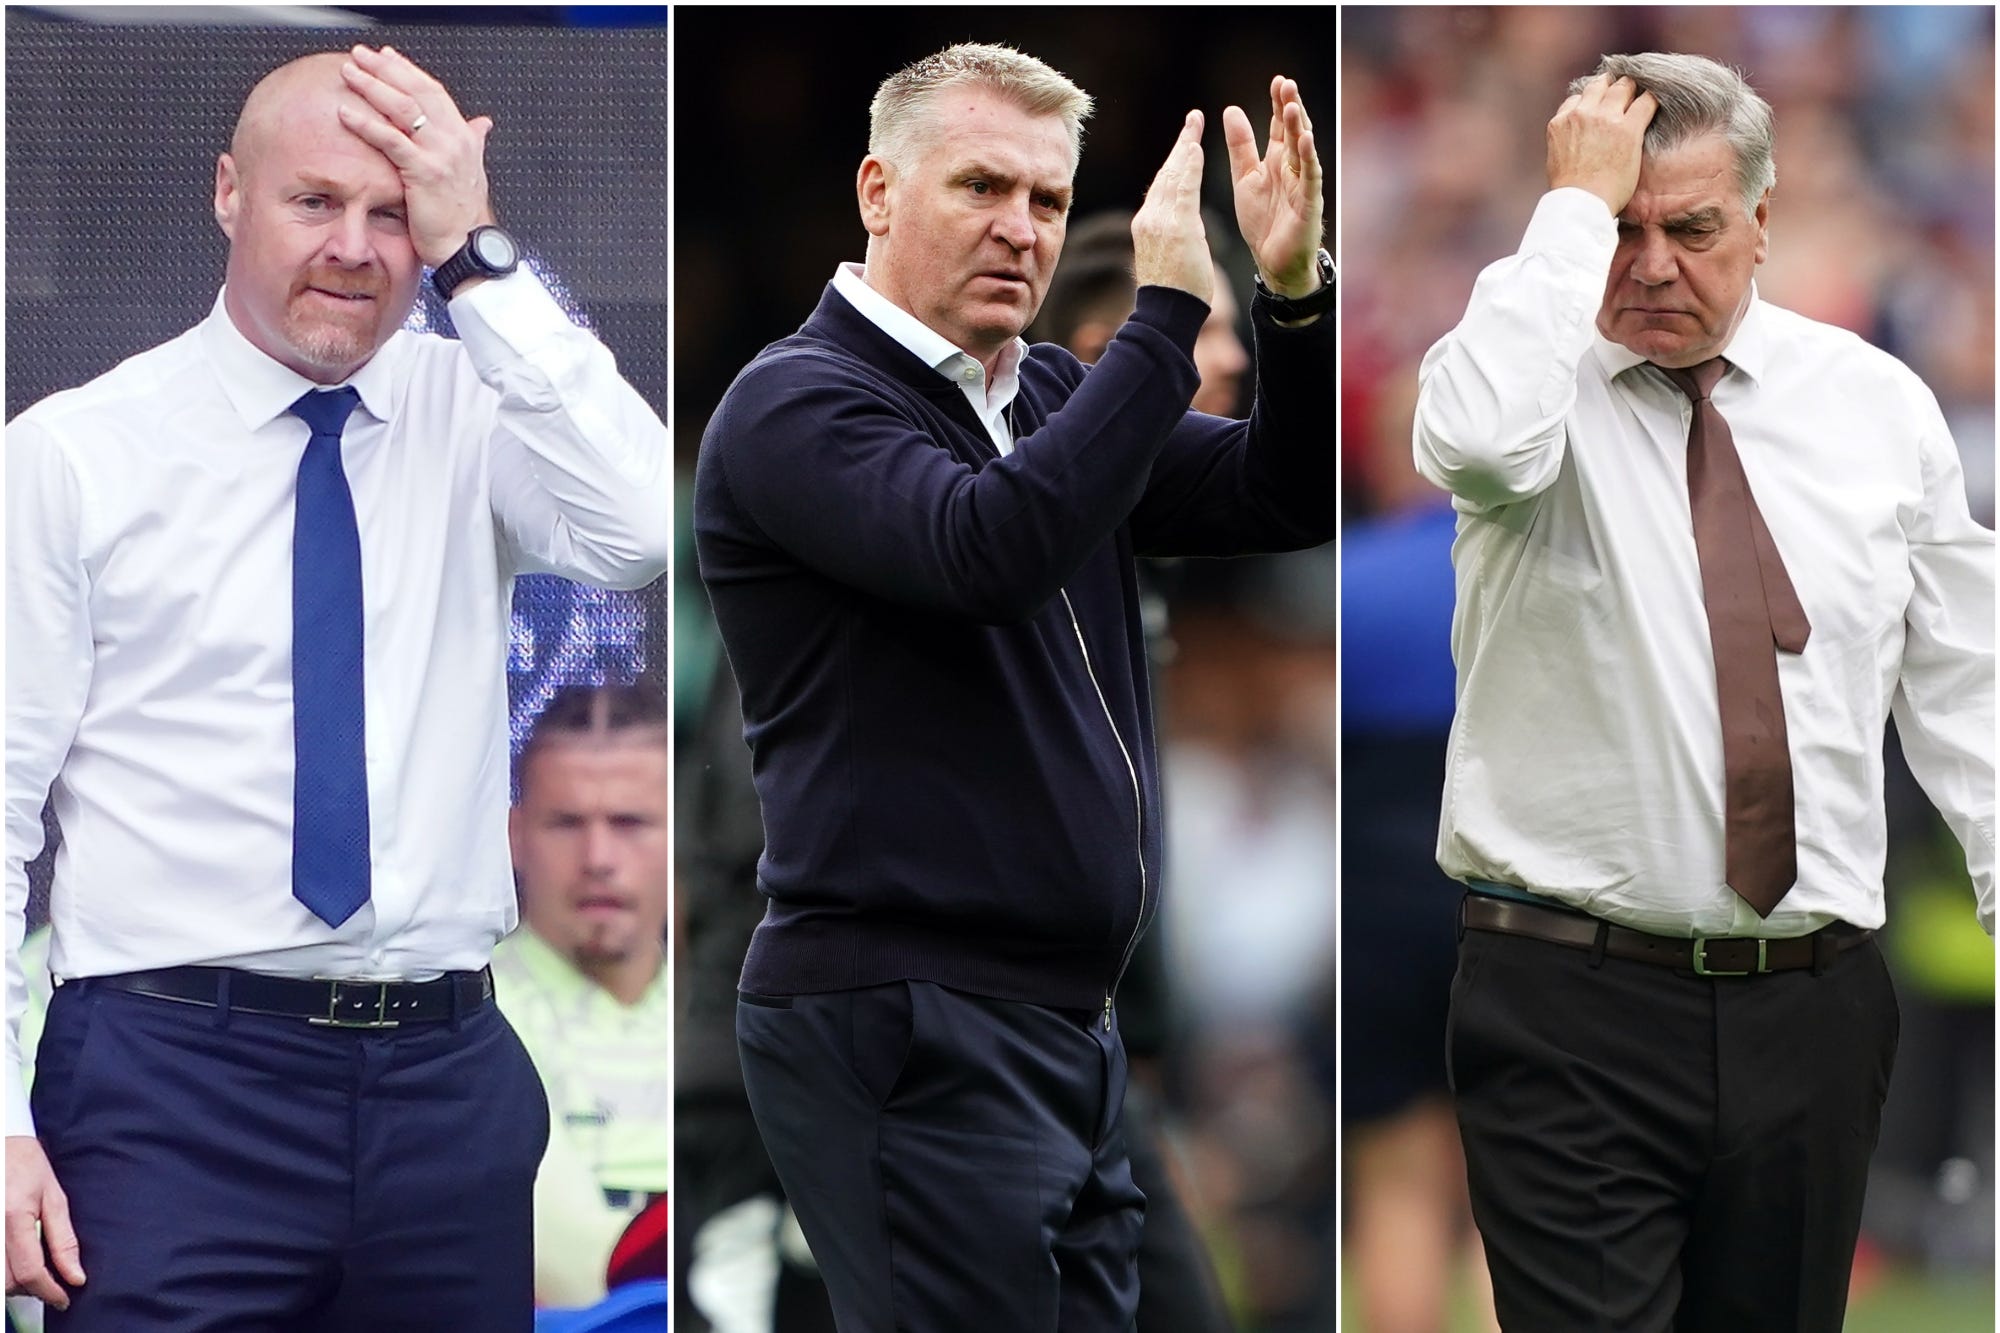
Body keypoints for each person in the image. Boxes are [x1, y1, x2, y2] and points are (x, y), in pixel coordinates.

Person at [5, 47, 669, 1328]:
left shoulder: (476, 405)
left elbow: (639, 529)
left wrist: (476, 254)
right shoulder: (75, 453)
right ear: (226, 195)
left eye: (393, 212)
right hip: (167, 1084)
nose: (358, 249)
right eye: (316, 202)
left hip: (444, 1081)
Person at [693, 38, 1333, 1332]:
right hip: (905, 1013)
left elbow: (1285, 490)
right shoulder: (793, 402)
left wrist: (1293, 292)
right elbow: (987, 548)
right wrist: (1160, 317)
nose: (1022, 229)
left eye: (1047, 200)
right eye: (981, 186)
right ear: (879, 191)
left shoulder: (1041, 387)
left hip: (1059, 1020)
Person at [1413, 51, 1993, 1332]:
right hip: (1569, 997)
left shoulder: (1874, 404)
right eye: (1622, 229)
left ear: (1762, 224)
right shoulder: (1526, 377)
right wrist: (1568, 214)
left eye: (1690, 228)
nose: (1652, 264)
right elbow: (1468, 442)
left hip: (1818, 1002)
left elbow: (1967, 687)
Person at [493, 680, 672, 1310]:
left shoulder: (736, 1009)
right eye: (566, 823)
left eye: (630, 823)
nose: (598, 857)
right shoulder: (461, 1020)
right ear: (514, 836)